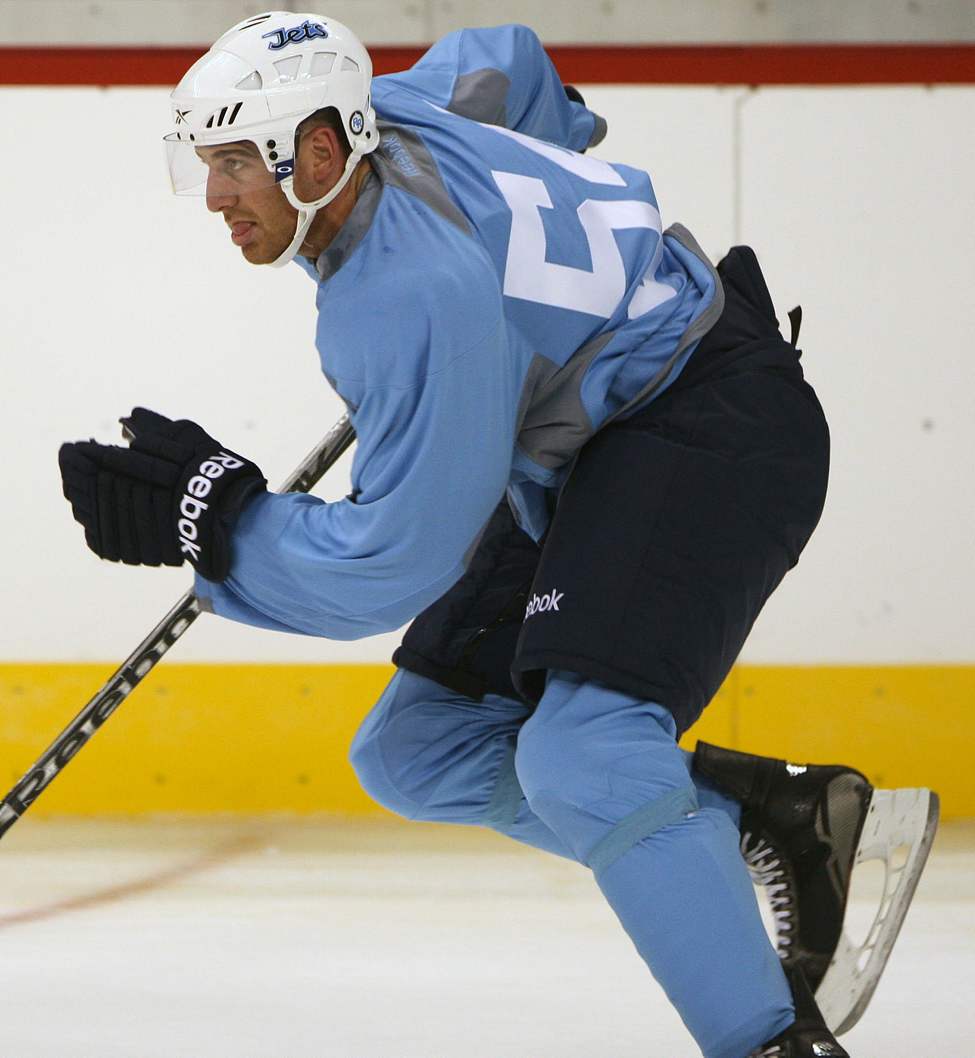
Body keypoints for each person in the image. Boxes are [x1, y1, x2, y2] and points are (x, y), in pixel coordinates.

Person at [58, 13, 938, 1057]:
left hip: (709, 420)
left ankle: (772, 1043)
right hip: (598, 446)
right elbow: (511, 58)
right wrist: (553, 184)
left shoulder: (402, 297)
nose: (214, 197)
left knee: (582, 754)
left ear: (321, 152)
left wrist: (229, 527)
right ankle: (773, 817)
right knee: (416, 750)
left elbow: (393, 564)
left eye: (238, 163)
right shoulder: (403, 104)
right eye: (205, 163)